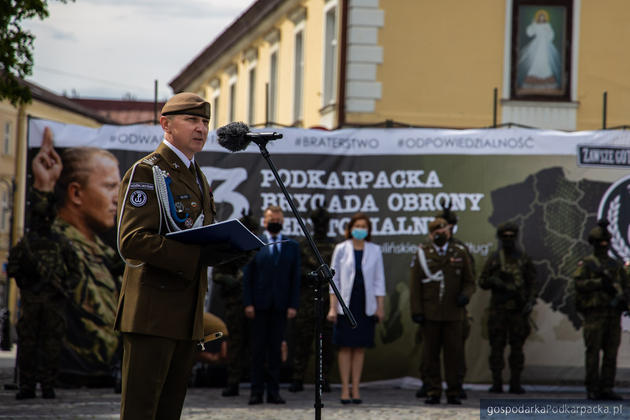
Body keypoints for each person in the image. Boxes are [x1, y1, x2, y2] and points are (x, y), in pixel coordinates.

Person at [116, 92, 251, 419]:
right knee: (141, 410)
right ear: (166, 124)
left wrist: (224, 248)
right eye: (192, 120)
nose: (201, 128)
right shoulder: (148, 172)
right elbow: (131, 241)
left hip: (187, 313)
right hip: (152, 310)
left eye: (205, 121)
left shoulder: (197, 176)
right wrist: (194, 258)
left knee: (169, 410)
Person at [23, 128, 124, 389]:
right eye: (110, 186)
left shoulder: (104, 253)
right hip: (73, 372)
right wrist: (43, 187)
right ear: (76, 193)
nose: (117, 198)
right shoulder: (59, 243)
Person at [7, 199, 81, 399]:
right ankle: (27, 386)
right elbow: (12, 267)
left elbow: (76, 271)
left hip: (53, 302)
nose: (43, 222)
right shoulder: (27, 244)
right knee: (28, 345)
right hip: (32, 300)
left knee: (51, 345)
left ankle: (47, 385)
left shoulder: (60, 243)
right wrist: (27, 281)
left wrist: (64, 287)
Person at [409, 217, 475, 405]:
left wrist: (465, 295)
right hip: (430, 313)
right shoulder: (423, 253)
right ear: (431, 235)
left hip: (454, 314)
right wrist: (416, 311)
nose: (441, 235)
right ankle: (433, 391)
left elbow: (470, 281)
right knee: (430, 355)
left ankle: (454, 391)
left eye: (444, 232)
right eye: (437, 233)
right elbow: (415, 286)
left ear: (449, 232)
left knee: (454, 355)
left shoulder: (460, 252)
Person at [242, 205, 301, 405]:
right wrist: (248, 303)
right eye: (271, 218)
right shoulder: (255, 243)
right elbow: (247, 277)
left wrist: (293, 304)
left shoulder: (292, 246)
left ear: (283, 221)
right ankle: (256, 392)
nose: (274, 221)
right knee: (258, 350)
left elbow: (295, 279)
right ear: (264, 221)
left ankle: (273, 391)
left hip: (281, 306)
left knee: (276, 350)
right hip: (258, 306)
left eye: (278, 218)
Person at [327, 212, 385, 404]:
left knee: (359, 348)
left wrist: (380, 307)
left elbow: (379, 281)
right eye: (357, 225)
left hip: (365, 305)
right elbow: (333, 280)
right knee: (345, 347)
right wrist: (332, 308)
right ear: (350, 228)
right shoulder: (341, 249)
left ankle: (356, 388)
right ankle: (344, 389)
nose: (360, 229)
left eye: (364, 226)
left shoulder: (375, 250)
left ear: (368, 230)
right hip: (346, 304)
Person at [571, 220, 629, 401]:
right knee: (593, 352)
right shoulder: (587, 264)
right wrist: (599, 283)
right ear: (593, 244)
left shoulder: (615, 265)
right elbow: (578, 284)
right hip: (594, 314)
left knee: (611, 354)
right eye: (599, 243)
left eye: (605, 243)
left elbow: (626, 287)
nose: (603, 246)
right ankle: (592, 388)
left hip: (613, 315)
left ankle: (607, 387)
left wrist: (623, 301)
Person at [478, 222, 536, 394]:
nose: (509, 240)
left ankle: (515, 383)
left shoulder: (523, 259)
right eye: (505, 237)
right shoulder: (495, 259)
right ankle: (497, 383)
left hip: (517, 312)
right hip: (499, 311)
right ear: (501, 238)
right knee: (496, 348)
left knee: (517, 349)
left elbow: (532, 282)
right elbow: (482, 282)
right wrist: (495, 281)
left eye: (512, 236)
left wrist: (530, 302)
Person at [289, 205, 336, 393]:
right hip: (307, 300)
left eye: (324, 223)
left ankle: (324, 379)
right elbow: (296, 271)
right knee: (302, 342)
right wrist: (312, 275)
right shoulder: (304, 245)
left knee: (328, 343)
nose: (321, 226)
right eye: (319, 223)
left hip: (328, 301)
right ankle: (297, 377)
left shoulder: (335, 246)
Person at [213, 210, 258, 397]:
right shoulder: (229, 248)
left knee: (256, 344)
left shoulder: (258, 248)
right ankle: (233, 382)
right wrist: (230, 280)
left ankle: (256, 383)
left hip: (255, 304)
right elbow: (216, 274)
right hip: (234, 302)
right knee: (235, 344)